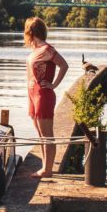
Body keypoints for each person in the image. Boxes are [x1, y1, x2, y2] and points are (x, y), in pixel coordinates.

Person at [24, 16, 69, 178]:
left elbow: (64, 65)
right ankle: (44, 167)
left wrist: (54, 84)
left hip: (43, 95)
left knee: (47, 134)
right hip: (32, 94)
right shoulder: (35, 51)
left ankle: (47, 170)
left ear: (30, 32)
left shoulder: (47, 49)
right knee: (40, 134)